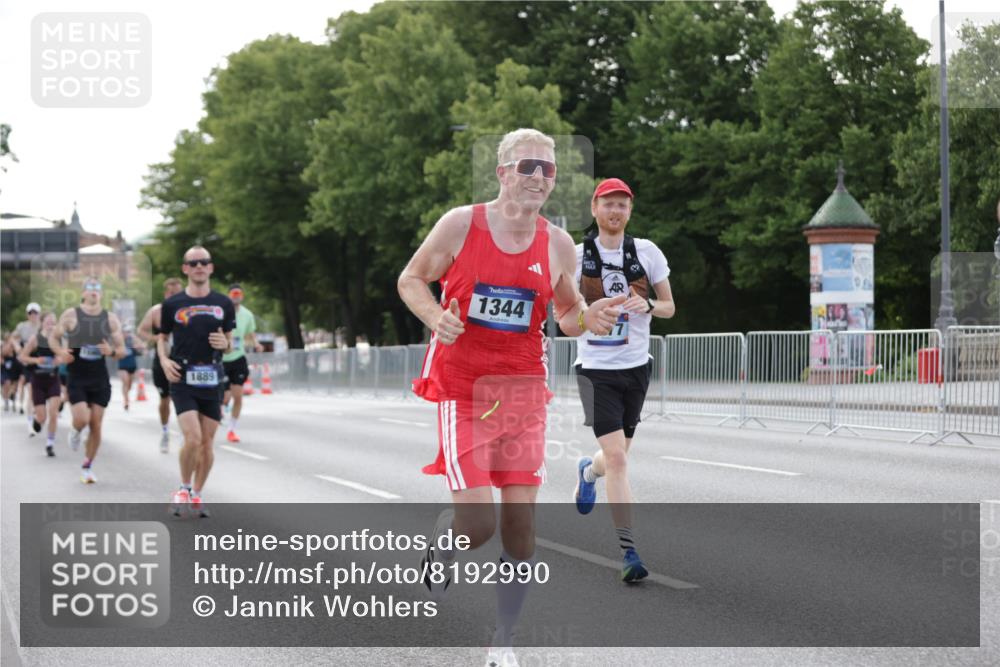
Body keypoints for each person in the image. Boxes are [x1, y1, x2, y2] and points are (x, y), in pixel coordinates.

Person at [398, 128, 624, 667]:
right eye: (528, 167)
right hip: (465, 389)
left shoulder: (557, 242)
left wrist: (592, 317)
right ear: (502, 174)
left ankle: (504, 639)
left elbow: (567, 316)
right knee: (477, 527)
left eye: (548, 170)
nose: (539, 177)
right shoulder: (461, 224)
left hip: (523, 391)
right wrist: (436, 317)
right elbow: (411, 280)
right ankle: (445, 545)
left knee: (521, 528)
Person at [571, 178, 675, 582]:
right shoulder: (578, 257)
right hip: (595, 370)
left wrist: (647, 302)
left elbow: (668, 306)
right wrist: (587, 313)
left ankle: (586, 473)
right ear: (595, 208)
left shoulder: (646, 252)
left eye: (623, 205)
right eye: (609, 204)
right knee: (618, 458)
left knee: (614, 458)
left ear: (630, 211)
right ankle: (629, 552)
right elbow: (562, 308)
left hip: (636, 368)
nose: (616, 211)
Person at [159, 247, 234, 518]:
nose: (200, 266)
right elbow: (161, 337)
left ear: (211, 268)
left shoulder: (223, 303)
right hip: (183, 377)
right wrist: (164, 361)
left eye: (204, 262)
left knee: (207, 444)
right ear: (185, 269)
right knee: (193, 438)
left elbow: (229, 343)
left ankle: (198, 493)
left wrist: (226, 344)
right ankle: (183, 487)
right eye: (194, 263)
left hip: (212, 378)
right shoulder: (172, 304)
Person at [50, 279, 127, 483]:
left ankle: (87, 466)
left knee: (96, 424)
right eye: (90, 288)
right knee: (82, 419)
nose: (94, 292)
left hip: (99, 378)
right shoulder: (71, 315)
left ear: (101, 294)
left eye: (98, 289)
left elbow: (122, 350)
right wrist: (60, 352)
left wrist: (111, 351)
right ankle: (75, 431)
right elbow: (53, 337)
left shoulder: (110, 319)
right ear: (83, 293)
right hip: (77, 377)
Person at [138, 277, 184, 452]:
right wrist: (155, 338)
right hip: (162, 360)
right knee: (165, 399)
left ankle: (184, 433)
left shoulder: (190, 311)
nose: (175, 296)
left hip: (183, 360)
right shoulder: (157, 311)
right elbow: (141, 330)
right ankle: (165, 432)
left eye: (178, 293)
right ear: (166, 294)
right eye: (172, 293)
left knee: (182, 397)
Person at [18, 312, 63, 457]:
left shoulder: (59, 339)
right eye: (48, 321)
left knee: (54, 413)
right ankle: (37, 421)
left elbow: (66, 355)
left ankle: (50, 443)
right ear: (42, 323)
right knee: (42, 417)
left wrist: (59, 360)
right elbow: (22, 357)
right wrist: (37, 361)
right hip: (38, 380)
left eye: (53, 321)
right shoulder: (35, 339)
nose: (51, 324)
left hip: (53, 379)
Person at [221, 283, 261, 443]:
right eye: (233, 293)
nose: (236, 296)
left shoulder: (247, 314)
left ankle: (232, 429)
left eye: (238, 293)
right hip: (222, 359)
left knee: (238, 395)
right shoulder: (222, 312)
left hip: (238, 358)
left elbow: (250, 334)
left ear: (242, 296)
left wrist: (256, 344)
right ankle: (222, 407)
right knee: (225, 396)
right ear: (229, 295)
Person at [13, 303, 41, 428]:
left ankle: (38, 410)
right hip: (28, 360)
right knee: (30, 388)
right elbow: (13, 338)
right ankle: (30, 419)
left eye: (35, 313)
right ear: (27, 314)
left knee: (38, 390)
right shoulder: (22, 326)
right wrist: (18, 348)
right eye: (30, 313)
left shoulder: (42, 326)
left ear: (39, 314)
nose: (33, 315)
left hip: (41, 360)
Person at [117, 325, 145, 410]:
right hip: (122, 366)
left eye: (127, 332)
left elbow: (142, 347)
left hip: (132, 366)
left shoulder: (132, 341)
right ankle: (126, 401)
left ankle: (126, 395)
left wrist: (134, 337)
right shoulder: (119, 341)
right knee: (125, 382)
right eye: (125, 332)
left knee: (129, 385)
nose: (126, 334)